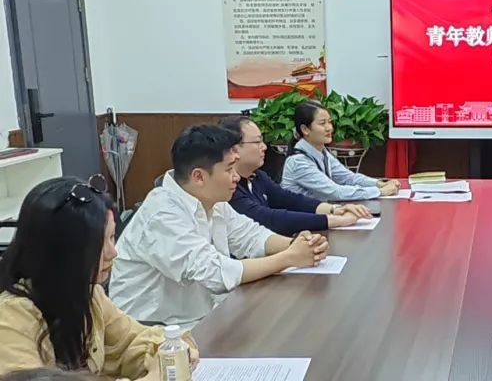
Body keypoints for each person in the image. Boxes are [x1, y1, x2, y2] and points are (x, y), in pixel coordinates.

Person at [109, 124, 329, 330]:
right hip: (154, 332)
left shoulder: (213, 200)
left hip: (202, 318)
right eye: (229, 169)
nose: (236, 177)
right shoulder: (162, 214)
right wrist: (289, 257)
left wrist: (299, 245)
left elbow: (251, 236)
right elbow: (216, 272)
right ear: (199, 176)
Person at [0, 176, 196, 379]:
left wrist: (170, 352)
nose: (113, 252)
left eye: (112, 237)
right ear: (62, 250)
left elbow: (134, 341)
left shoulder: (89, 295)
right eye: (100, 243)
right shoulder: (11, 318)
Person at [221, 116, 372, 234]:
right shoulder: (227, 187)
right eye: (257, 142)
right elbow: (268, 218)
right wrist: (333, 220)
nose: (264, 147)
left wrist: (334, 210)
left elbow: (290, 200)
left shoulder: (257, 176)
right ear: (234, 149)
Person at [281, 101, 400, 201]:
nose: (329, 128)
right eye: (322, 123)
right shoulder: (298, 162)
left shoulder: (322, 152)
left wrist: (380, 183)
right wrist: (380, 191)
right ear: (305, 129)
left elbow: (349, 178)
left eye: (329, 122)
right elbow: (335, 192)